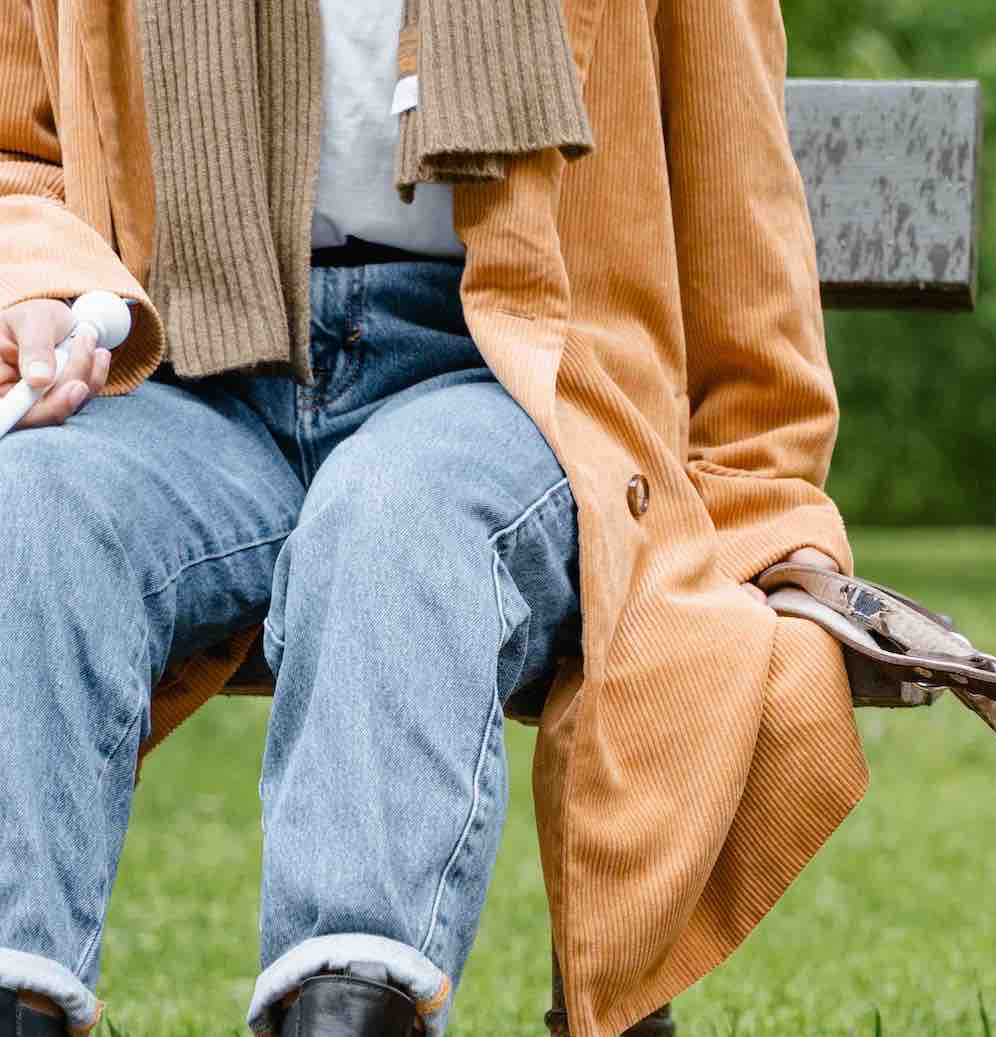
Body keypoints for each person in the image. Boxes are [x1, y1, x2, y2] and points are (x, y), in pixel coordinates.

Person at [0, 3, 868, 1035]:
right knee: (37, 504)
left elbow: (737, 209)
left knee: (396, 518)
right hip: (196, 365)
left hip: (504, 364)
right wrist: (40, 284)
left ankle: (351, 1004)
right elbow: (20, 156)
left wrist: (759, 489)